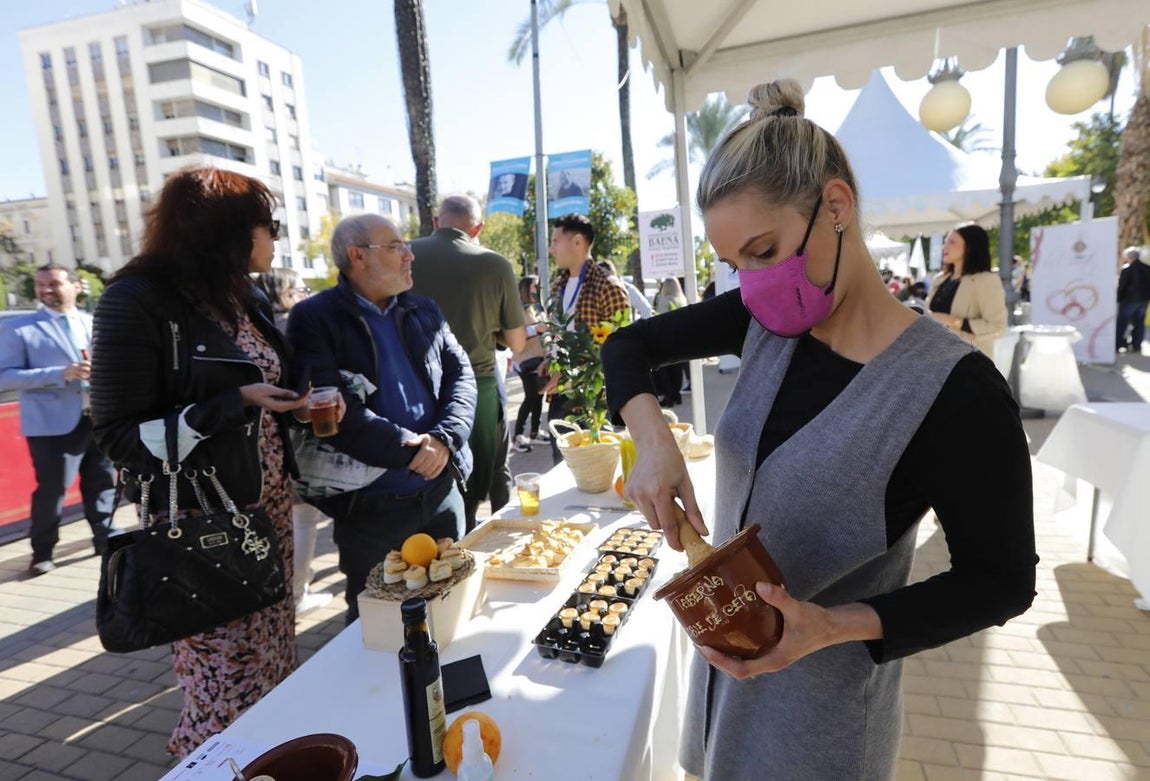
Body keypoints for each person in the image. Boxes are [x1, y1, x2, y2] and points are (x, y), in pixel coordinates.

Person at [601, 79, 1036, 781]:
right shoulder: (764, 318)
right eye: (735, 263)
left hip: (821, 726)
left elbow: (1000, 581)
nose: (751, 282)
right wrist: (653, 438)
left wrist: (834, 624)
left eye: (765, 250)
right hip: (723, 691)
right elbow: (625, 347)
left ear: (836, 206)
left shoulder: (953, 392)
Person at [89, 167, 315, 757]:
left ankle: (270, 759)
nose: (276, 239)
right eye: (270, 226)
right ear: (229, 228)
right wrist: (230, 405)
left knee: (272, 657)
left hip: (265, 509)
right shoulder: (136, 300)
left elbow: (264, 383)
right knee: (227, 681)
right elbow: (117, 436)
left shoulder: (244, 294)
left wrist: (298, 402)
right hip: (201, 524)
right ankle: (218, 766)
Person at [288, 213, 476, 623]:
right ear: (358, 256)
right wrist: (412, 450)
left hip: (441, 491)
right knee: (378, 629)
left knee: (455, 610)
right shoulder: (314, 319)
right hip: (371, 509)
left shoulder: (423, 308)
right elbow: (331, 410)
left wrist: (444, 439)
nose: (410, 255)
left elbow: (462, 376)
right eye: (396, 247)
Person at [410, 195, 525, 530]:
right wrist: (495, 333)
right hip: (478, 388)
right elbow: (517, 343)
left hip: (412, 388)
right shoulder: (494, 263)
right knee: (476, 483)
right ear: (477, 227)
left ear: (436, 221)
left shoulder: (403, 254)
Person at [0, 264, 116, 575]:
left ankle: (105, 538)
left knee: (103, 482)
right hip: (51, 424)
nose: (46, 290)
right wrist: (59, 374)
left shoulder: (95, 323)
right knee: (53, 490)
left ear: (76, 287)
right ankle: (43, 551)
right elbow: (4, 377)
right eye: (41, 285)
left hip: (98, 418)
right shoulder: (18, 328)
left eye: (53, 283)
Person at [253, 268, 333, 616]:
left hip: (271, 443)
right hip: (295, 438)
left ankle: (295, 588)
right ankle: (297, 592)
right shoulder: (290, 327)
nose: (303, 294)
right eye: (297, 288)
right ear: (281, 293)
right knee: (303, 517)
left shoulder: (260, 327)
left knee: (294, 518)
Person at [542, 214, 631, 462]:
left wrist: (572, 372)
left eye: (556, 241)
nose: (551, 249)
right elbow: (559, 334)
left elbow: (621, 351)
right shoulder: (558, 286)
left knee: (597, 470)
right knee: (561, 468)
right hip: (561, 397)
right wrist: (550, 360)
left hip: (593, 403)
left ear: (578, 242)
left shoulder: (608, 286)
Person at [925, 223, 1008, 355]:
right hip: (935, 359)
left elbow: (998, 327)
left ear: (970, 246)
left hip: (967, 363)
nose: (944, 247)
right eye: (946, 241)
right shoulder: (940, 279)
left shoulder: (986, 281)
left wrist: (955, 322)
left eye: (951, 242)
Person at [512, 275, 547, 452]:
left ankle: (535, 431)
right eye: (535, 286)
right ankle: (518, 434)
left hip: (538, 359)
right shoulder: (518, 309)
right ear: (526, 289)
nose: (537, 289)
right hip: (524, 359)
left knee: (539, 394)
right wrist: (537, 329)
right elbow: (516, 334)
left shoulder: (535, 308)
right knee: (531, 396)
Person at [652, 277, 688, 406]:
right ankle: (677, 395)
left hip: (664, 337)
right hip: (680, 338)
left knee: (664, 370)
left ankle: (669, 396)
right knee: (677, 369)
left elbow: (658, 316)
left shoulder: (661, 299)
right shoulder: (682, 299)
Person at [1116, 246, 1150, 353]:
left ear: (1130, 257)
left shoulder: (1127, 269)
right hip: (1143, 300)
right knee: (1139, 323)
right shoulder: (1147, 268)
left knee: (1122, 323)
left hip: (1128, 300)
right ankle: (1136, 345)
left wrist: (1119, 298)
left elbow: (1122, 286)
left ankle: (1118, 345)